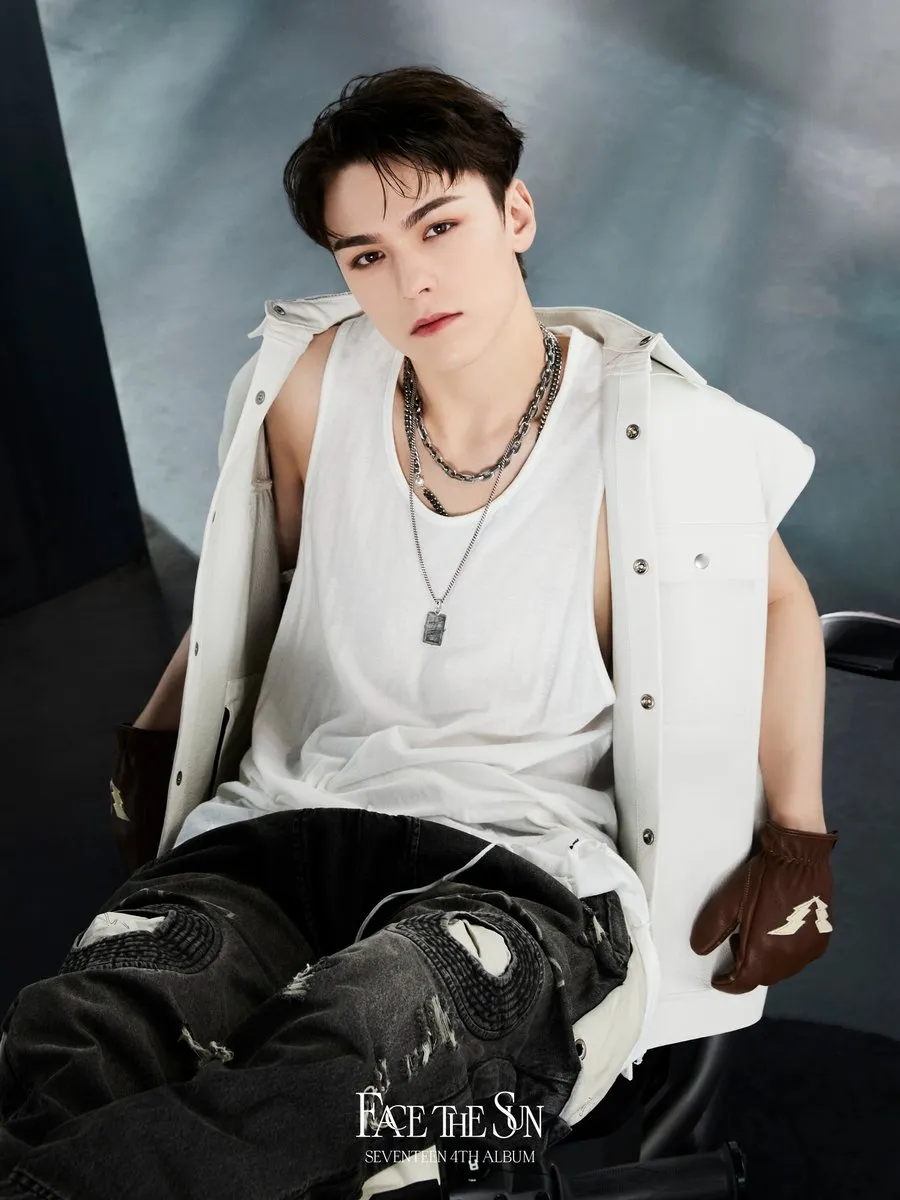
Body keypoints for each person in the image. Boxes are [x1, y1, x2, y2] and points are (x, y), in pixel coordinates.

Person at [0, 65, 837, 1200]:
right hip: (279, 834)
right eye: (366, 255)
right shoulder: (309, 386)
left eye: (439, 225)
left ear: (515, 212)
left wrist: (797, 837)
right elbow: (253, 595)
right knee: (77, 1031)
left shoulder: (660, 435)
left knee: (353, 1056)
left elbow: (778, 601)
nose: (411, 280)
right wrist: (156, 739)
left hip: (518, 868)